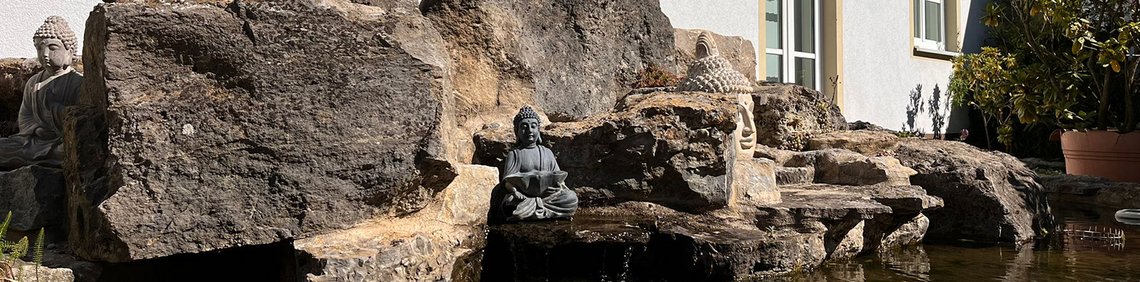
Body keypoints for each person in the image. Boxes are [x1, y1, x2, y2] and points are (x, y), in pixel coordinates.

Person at [0, 16, 83, 170]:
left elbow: (80, 120)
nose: (45, 54)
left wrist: (54, 107)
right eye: (39, 48)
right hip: (33, 141)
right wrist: (37, 130)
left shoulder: (78, 83)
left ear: (69, 52)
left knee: (72, 152)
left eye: (52, 48)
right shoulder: (33, 82)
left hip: (60, 142)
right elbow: (25, 117)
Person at [491, 106, 578, 222]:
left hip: (547, 196)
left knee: (571, 198)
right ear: (517, 131)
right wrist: (515, 192)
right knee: (510, 205)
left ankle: (538, 210)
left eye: (533, 126)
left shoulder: (547, 152)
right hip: (523, 198)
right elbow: (507, 181)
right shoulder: (515, 154)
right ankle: (544, 212)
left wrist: (557, 187)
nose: (529, 131)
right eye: (524, 127)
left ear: (538, 130)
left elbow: (559, 179)